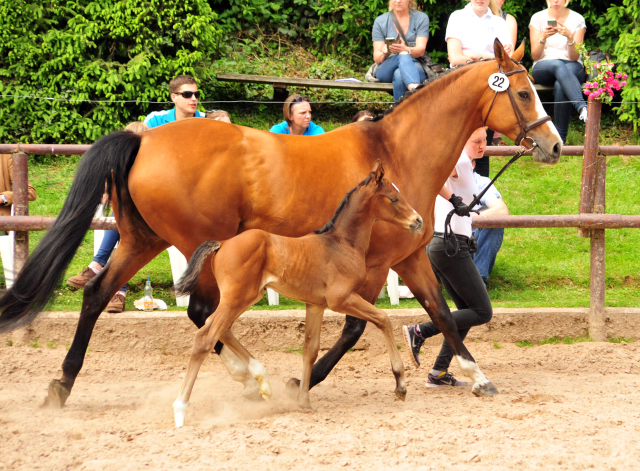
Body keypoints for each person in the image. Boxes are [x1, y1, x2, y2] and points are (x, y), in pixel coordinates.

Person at [67, 75, 206, 312]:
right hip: (161, 190)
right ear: (174, 97)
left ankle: (102, 270)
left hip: (191, 196)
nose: (193, 99)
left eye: (196, 95)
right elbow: (135, 155)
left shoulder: (204, 121)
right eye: (187, 94)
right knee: (131, 214)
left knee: (132, 219)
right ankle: (115, 288)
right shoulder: (156, 120)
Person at [402, 127, 493, 388]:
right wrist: (452, 197)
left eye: (485, 140)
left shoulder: (465, 163)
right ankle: (421, 331)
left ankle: (438, 373)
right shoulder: (459, 159)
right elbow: (434, 170)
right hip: (450, 245)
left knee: (466, 311)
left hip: (443, 244)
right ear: (461, 140)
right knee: (482, 311)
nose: (482, 145)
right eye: (476, 140)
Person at [66, 121, 149, 312]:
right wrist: (107, 191)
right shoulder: (123, 162)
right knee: (123, 223)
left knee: (125, 225)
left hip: (151, 219)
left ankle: (99, 266)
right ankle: (118, 292)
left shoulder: (148, 162)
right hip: (129, 219)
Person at [446, 0, 513, 177]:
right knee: (457, 145)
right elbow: (454, 58)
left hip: (489, 84)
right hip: (463, 80)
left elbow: (506, 60)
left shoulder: (499, 22)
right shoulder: (457, 17)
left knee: (482, 145)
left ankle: (482, 193)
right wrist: (491, 57)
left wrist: (476, 55)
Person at [529, 0, 587, 144]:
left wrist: (570, 37)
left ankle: (561, 140)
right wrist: (542, 38)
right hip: (545, 65)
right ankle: (582, 106)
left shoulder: (577, 19)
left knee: (562, 83)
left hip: (572, 64)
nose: (555, 0)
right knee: (557, 64)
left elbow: (574, 57)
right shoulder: (537, 18)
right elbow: (535, 56)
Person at [371, 0, 430, 102]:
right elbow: (377, 58)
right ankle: (414, 89)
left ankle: (399, 114)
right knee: (402, 55)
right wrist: (385, 53)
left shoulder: (421, 18)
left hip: (415, 64)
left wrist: (406, 49)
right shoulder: (380, 21)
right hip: (387, 66)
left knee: (399, 75)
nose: (398, 1)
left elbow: (420, 50)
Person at [471, 157, 509, 287]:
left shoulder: (481, 182)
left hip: (474, 245)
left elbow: (502, 210)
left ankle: (478, 283)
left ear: (473, 165)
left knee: (494, 222)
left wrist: (465, 220)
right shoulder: (441, 182)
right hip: (449, 243)